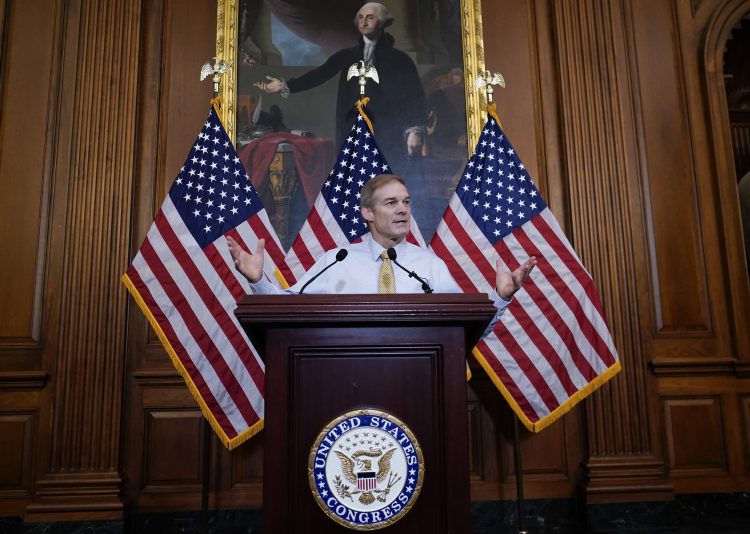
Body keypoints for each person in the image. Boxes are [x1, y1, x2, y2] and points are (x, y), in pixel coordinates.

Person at [227, 175, 536, 327]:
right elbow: (287, 310)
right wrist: (259, 281)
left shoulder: (430, 265)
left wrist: (501, 297)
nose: (403, 210)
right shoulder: (337, 260)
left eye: (406, 202)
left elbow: (466, 331)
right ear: (368, 213)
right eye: (391, 203)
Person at [254, 2, 428, 164]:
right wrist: (285, 85)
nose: (364, 22)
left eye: (370, 17)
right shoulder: (348, 56)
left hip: (388, 134)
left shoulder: (400, 60)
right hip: (352, 132)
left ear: (382, 22)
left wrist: (415, 130)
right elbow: (318, 75)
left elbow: (414, 96)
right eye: (361, 17)